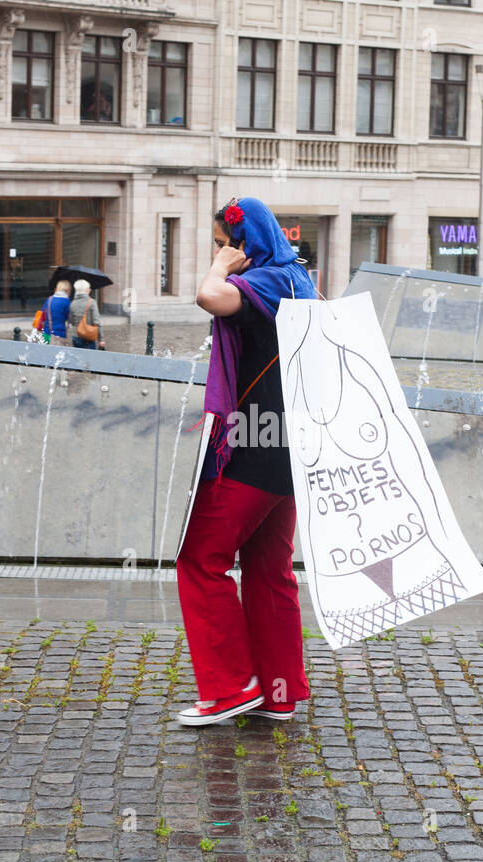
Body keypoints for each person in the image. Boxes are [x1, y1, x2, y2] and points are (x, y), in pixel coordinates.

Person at [174, 196, 317, 726]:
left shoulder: (266, 282)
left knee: (200, 557)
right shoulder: (298, 277)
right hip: (287, 447)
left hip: (254, 447)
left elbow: (209, 297)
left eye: (222, 242)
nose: (218, 252)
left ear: (243, 243)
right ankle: (278, 693)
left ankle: (232, 687)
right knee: (267, 567)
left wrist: (219, 267)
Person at [69, 278, 104, 350]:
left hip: (76, 336)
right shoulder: (92, 302)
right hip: (88, 336)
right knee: (90, 359)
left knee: (78, 358)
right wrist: (101, 339)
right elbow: (97, 322)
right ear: (86, 290)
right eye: (89, 288)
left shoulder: (73, 303)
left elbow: (71, 321)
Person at [42, 269, 72, 344]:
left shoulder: (49, 299)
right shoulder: (66, 301)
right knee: (58, 355)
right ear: (67, 290)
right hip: (59, 334)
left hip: (46, 333)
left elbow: (43, 315)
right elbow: (69, 317)